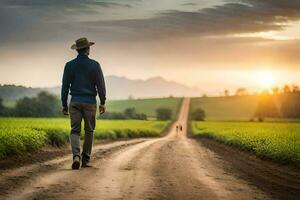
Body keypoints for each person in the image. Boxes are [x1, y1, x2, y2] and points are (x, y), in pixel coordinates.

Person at [61, 37, 106, 170]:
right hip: (90, 102)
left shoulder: (69, 65)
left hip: (74, 101)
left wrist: (64, 104)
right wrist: (102, 102)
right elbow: (101, 85)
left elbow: (65, 86)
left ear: (77, 50)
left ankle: (76, 156)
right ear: (87, 49)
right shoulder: (95, 65)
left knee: (74, 131)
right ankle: (85, 160)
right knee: (89, 131)